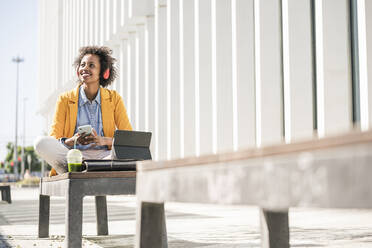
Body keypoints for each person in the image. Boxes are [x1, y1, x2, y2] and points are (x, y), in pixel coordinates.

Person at [34, 46, 132, 175]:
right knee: (41, 143)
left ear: (104, 72)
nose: (85, 68)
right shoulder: (65, 99)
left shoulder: (114, 99)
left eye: (91, 65)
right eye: (82, 65)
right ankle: (77, 167)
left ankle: (89, 168)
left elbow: (129, 139)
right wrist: (73, 140)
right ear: (77, 71)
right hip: (73, 156)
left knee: (132, 151)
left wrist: (104, 140)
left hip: (105, 157)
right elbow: (54, 138)